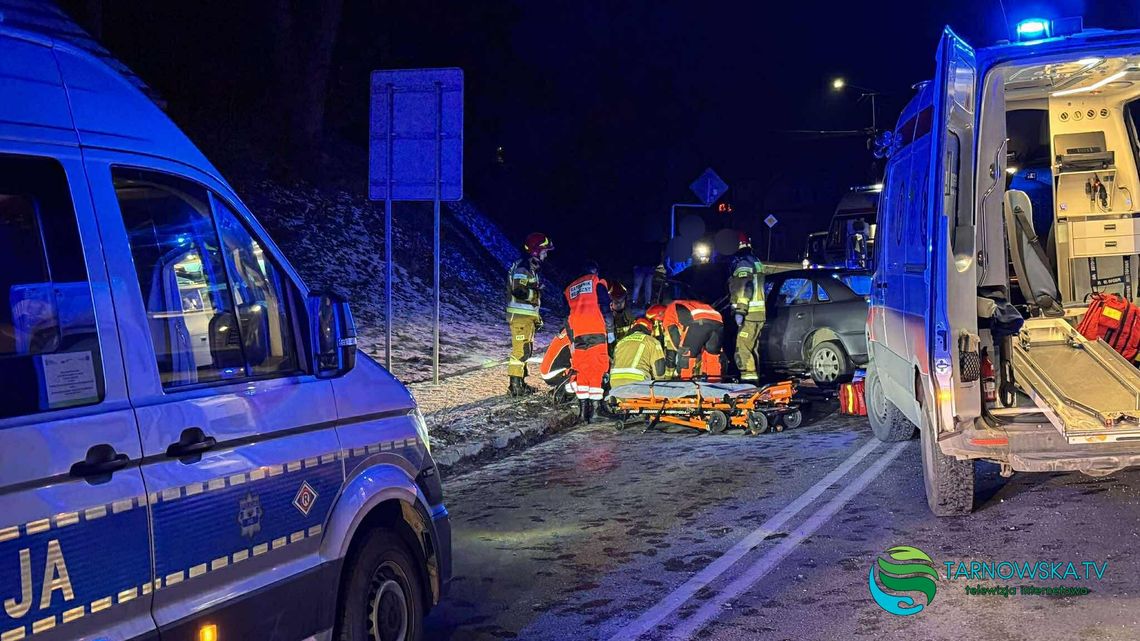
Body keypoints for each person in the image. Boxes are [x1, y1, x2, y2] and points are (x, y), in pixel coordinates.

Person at [565, 261, 614, 422]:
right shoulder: (596, 283)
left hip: (578, 333)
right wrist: (610, 330)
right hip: (596, 330)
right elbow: (605, 307)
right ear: (594, 272)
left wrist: (572, 338)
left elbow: (567, 316)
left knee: (582, 369)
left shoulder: (570, 288)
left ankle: (583, 413)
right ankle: (596, 411)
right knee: (596, 368)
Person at [506, 232, 553, 397]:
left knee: (526, 350)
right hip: (520, 317)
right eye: (544, 251)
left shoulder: (530, 268)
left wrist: (536, 317)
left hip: (525, 317)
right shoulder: (523, 268)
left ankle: (520, 383)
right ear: (535, 251)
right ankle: (515, 387)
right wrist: (536, 292)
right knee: (520, 352)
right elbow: (518, 291)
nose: (546, 255)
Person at [727, 232, 767, 384]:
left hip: (749, 314)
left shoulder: (743, 263)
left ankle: (748, 384)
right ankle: (756, 382)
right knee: (752, 349)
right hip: (759, 314)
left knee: (742, 350)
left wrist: (740, 310)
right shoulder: (755, 261)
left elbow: (746, 287)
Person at [662, 299, 724, 381]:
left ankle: (685, 383)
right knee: (713, 357)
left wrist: (681, 350)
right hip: (718, 322)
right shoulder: (690, 304)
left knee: (687, 357)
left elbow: (672, 332)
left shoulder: (670, 308)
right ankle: (714, 383)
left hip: (698, 322)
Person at [610, 318, 667, 388]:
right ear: (649, 330)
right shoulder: (651, 341)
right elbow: (659, 366)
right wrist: (660, 383)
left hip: (615, 383)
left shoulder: (621, 342)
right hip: (637, 382)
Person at [539, 326, 574, 395]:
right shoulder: (574, 334)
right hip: (554, 374)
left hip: (548, 371)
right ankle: (564, 392)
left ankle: (560, 388)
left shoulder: (568, 329)